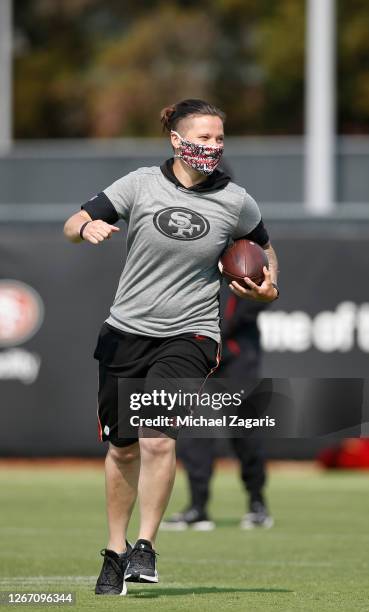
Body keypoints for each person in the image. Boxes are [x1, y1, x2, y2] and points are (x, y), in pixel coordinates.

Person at [63, 98, 279, 596]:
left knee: (157, 437)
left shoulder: (236, 199)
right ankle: (115, 551)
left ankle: (146, 545)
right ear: (177, 140)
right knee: (121, 450)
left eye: (220, 138)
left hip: (190, 334)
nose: (213, 147)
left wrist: (270, 286)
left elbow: (264, 248)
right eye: (203, 138)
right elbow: (73, 223)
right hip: (124, 333)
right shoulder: (138, 184)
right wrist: (86, 227)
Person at [162, 287, 274, 532]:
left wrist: (216, 332)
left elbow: (258, 296)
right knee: (194, 429)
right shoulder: (196, 255)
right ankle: (198, 507)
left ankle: (257, 503)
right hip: (199, 353)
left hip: (236, 355)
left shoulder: (244, 251)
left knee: (244, 428)